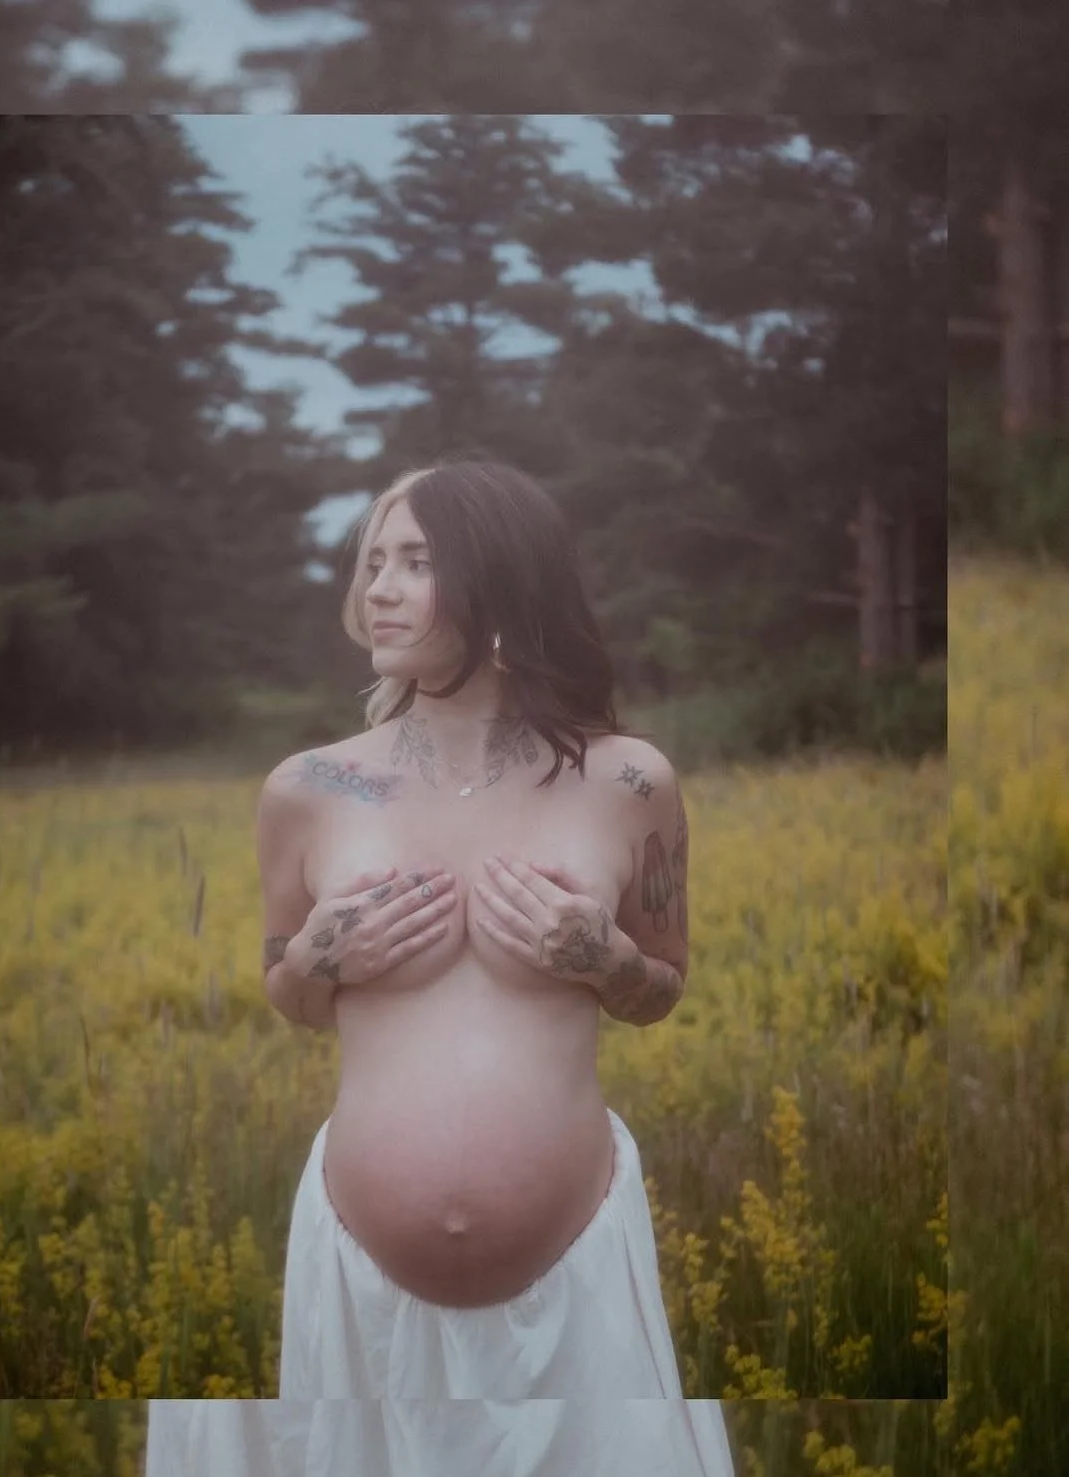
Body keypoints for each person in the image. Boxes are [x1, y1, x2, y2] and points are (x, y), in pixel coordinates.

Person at [145, 460, 735, 1475]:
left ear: (501, 582)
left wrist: (608, 958)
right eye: (372, 560)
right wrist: (318, 961)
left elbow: (664, 985)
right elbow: (289, 990)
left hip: (576, 1281)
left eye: (415, 561)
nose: (377, 585)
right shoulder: (309, 788)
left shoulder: (631, 779)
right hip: (359, 1288)